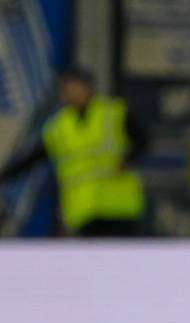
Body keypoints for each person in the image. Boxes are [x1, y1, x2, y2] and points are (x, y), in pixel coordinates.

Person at [0, 67, 146, 237]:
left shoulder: (113, 111)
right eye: (67, 89)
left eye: (76, 87)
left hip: (120, 206)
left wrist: (128, 159)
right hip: (84, 211)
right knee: (94, 261)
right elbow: (32, 158)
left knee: (124, 259)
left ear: (88, 87)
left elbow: (142, 140)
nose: (72, 93)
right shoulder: (59, 127)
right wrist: (4, 175)